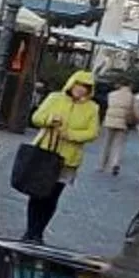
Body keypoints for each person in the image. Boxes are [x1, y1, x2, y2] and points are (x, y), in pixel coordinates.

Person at [19, 67, 104, 239]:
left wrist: (70, 134)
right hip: (45, 153)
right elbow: (36, 118)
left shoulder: (92, 108)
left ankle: (38, 233)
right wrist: (50, 120)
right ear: (71, 84)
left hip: (67, 160)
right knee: (37, 193)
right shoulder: (55, 98)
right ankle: (30, 231)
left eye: (86, 87)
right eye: (79, 85)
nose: (81, 89)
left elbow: (93, 133)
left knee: (52, 196)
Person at [98, 73, 139, 174]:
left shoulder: (111, 95)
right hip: (123, 123)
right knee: (118, 144)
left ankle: (101, 165)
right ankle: (115, 163)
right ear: (130, 86)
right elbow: (137, 112)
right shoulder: (133, 98)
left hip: (110, 121)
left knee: (106, 143)